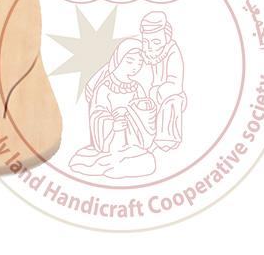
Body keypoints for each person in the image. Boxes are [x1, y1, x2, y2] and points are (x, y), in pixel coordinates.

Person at [68, 38, 157, 179]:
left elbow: (142, 111)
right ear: (118, 59)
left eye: (139, 63)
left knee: (146, 159)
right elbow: (97, 115)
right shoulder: (104, 87)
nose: (135, 67)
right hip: (113, 137)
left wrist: (142, 112)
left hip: (132, 138)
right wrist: (113, 124)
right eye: (130, 61)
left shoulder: (137, 87)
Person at [134, 11, 186, 151]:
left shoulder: (172, 52)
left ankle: (165, 141)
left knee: (171, 102)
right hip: (149, 96)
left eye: (156, 42)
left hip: (168, 95)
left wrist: (155, 92)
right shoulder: (146, 53)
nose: (150, 47)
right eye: (146, 42)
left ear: (166, 38)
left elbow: (175, 85)